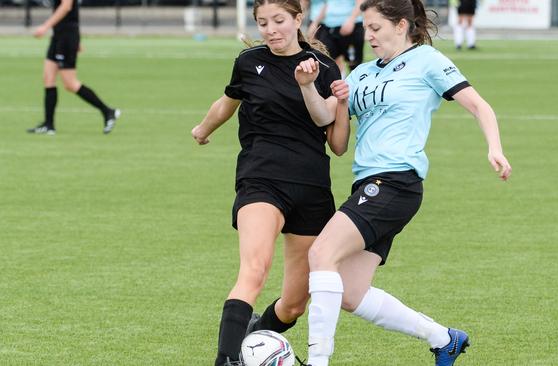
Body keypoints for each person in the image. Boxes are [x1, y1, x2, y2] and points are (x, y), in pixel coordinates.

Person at [298, 0, 512, 365]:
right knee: (350, 294)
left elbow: (480, 105)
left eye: (376, 28)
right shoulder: (362, 72)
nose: (370, 36)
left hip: (396, 181)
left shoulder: (426, 60)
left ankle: (318, 361)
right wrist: (307, 86)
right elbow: (329, 121)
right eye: (367, 28)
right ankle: (444, 339)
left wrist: (495, 147)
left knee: (320, 254)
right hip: (367, 184)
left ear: (401, 26)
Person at [189, 0, 348, 364]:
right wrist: (203, 128)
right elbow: (226, 103)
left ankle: (250, 342)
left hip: (311, 187)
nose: (270, 29)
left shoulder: (324, 67)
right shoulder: (249, 62)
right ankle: (226, 359)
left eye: (278, 21)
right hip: (261, 178)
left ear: (297, 19)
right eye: (262, 22)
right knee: (255, 270)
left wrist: (340, 102)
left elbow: (337, 144)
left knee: (294, 304)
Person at [27, 0, 120, 135]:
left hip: (66, 37)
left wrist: (45, 26)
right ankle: (49, 125)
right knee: (48, 77)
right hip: (59, 35)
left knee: (70, 83)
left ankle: (108, 111)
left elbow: (66, 6)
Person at [304, 0, 365, 76]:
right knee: (327, 61)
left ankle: (357, 86)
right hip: (329, 27)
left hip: (351, 26)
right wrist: (315, 23)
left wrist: (351, 19)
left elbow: (361, 2)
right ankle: (339, 82)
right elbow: (326, 4)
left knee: (353, 63)